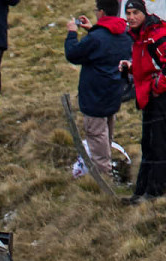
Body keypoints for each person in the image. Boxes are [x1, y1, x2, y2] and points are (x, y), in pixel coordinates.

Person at [119, 0, 166, 204]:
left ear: (145, 13)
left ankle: (156, 193)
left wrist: (157, 88)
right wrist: (131, 68)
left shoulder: (156, 35)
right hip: (149, 95)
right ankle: (141, 192)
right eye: (128, 13)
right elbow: (150, 65)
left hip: (163, 96)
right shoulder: (140, 36)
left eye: (135, 12)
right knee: (148, 143)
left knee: (158, 144)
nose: (131, 17)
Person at [64, 0, 130, 179]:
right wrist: (92, 29)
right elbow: (105, 44)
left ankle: (103, 177)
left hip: (94, 95)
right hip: (114, 91)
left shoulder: (96, 37)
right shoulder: (124, 33)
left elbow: (73, 54)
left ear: (101, 12)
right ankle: (105, 169)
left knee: (96, 136)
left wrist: (72, 33)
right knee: (106, 134)